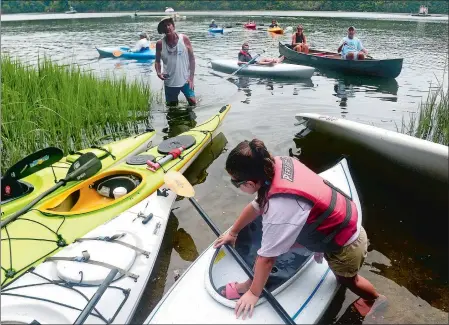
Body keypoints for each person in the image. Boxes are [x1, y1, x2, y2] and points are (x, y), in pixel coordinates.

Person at [214, 139, 387, 320]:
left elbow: (267, 259)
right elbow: (257, 205)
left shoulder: (280, 207)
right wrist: (233, 232)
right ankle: (252, 281)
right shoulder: (276, 165)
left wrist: (253, 294)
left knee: (348, 280)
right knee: (275, 247)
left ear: (249, 183)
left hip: (346, 245)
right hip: (335, 223)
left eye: (236, 183)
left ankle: (373, 299)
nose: (237, 186)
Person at [155, 16, 196, 107]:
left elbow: (192, 58)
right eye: (164, 26)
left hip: (185, 79)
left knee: (193, 103)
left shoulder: (184, 39)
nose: (167, 27)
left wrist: (191, 78)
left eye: (169, 25)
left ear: (173, 26)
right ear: (162, 30)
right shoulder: (160, 44)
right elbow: (157, 61)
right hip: (170, 81)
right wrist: (158, 73)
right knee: (172, 106)